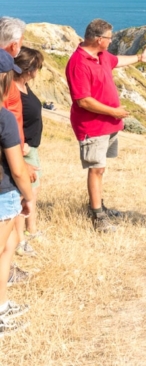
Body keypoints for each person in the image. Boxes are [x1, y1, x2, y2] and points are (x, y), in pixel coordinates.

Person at [65, 19, 146, 232]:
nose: (111, 40)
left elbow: (117, 60)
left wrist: (139, 58)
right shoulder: (78, 63)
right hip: (92, 125)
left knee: (101, 168)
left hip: (108, 124)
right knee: (96, 169)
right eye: (109, 37)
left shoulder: (102, 56)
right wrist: (114, 111)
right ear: (99, 39)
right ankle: (97, 216)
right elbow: (83, 101)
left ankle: (99, 206)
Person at [0, 49, 34, 337]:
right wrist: (29, 197)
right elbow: (18, 169)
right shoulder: (4, 118)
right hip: (3, 193)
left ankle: (2, 306)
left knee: (7, 250)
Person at [13, 48, 45, 255]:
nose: (39, 70)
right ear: (29, 69)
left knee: (33, 190)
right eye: (38, 66)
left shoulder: (24, 86)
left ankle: (30, 229)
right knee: (21, 194)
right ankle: (20, 240)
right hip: (22, 149)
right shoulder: (13, 90)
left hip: (31, 146)